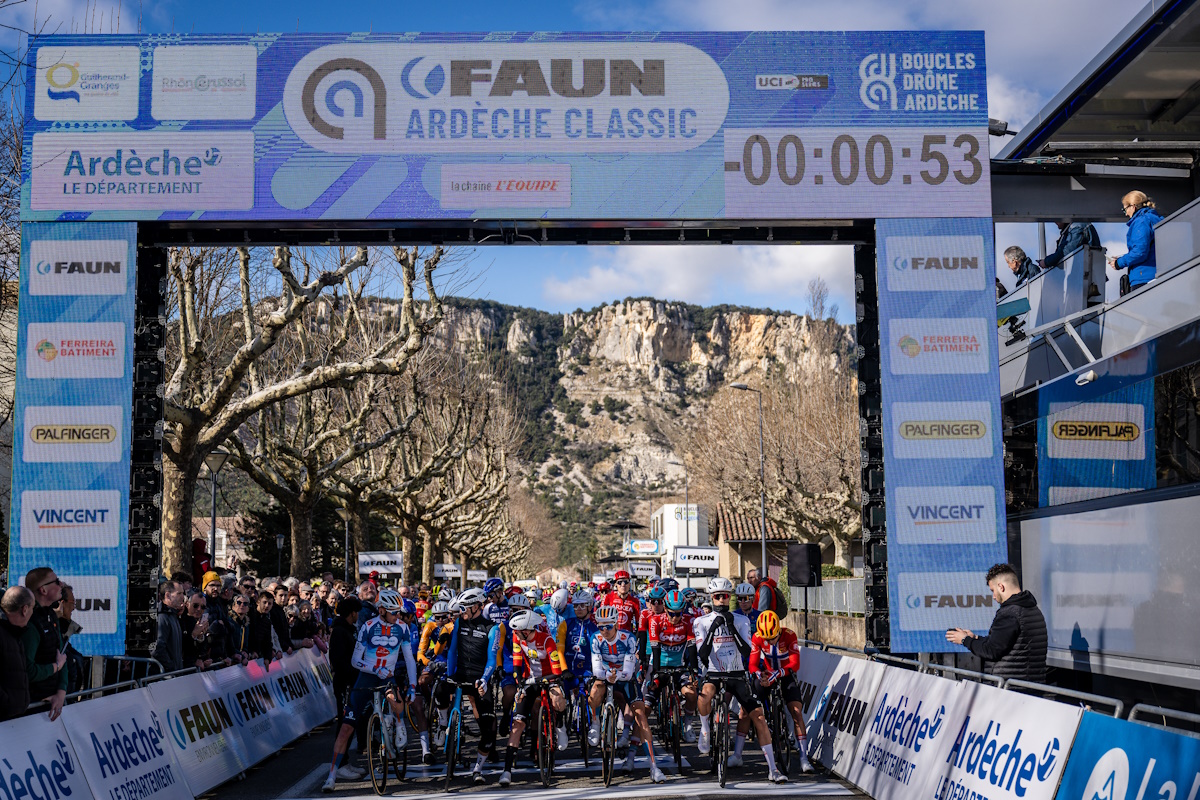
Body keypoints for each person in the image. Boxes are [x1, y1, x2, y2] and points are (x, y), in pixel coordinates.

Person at [322, 589, 419, 792]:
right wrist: (375, 668)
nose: (398, 616)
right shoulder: (367, 626)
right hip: (367, 676)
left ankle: (398, 723)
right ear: (381, 610)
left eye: (399, 612)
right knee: (346, 728)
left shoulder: (402, 628)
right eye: (393, 612)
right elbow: (355, 661)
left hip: (388, 678)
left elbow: (409, 658)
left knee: (397, 699)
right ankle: (331, 776)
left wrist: (412, 685)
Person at [694, 576, 786, 783]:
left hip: (737, 674)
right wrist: (713, 630)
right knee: (704, 696)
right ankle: (706, 730)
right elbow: (702, 654)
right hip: (714, 672)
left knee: (759, 717)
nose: (721, 601)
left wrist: (732, 629)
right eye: (717, 597)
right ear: (711, 597)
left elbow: (746, 650)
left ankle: (773, 769)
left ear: (729, 598)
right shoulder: (700, 622)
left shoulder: (741, 620)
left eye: (725, 597)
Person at [586, 605, 665, 783]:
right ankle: (596, 723)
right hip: (606, 676)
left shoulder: (627, 638)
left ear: (616, 624)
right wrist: (608, 675)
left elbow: (629, 672)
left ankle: (654, 766)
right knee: (595, 689)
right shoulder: (596, 638)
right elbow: (596, 668)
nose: (604, 630)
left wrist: (617, 675)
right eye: (600, 626)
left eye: (608, 626)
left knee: (640, 714)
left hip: (625, 677)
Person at [433, 587, 503, 783]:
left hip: (479, 678)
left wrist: (484, 679)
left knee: (488, 730)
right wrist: (450, 675)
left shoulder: (493, 629)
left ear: (477, 607)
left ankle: (478, 769)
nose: (460, 612)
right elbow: (452, 652)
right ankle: (443, 722)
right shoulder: (457, 625)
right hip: (460, 674)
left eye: (464, 608)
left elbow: (491, 659)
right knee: (439, 689)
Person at [498, 610, 569, 786]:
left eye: (518, 631)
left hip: (549, 677)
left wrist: (547, 680)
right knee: (518, 723)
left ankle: (560, 726)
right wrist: (519, 680)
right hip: (530, 680)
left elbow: (557, 672)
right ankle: (507, 771)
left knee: (558, 698)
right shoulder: (517, 638)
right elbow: (517, 663)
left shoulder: (546, 640)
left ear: (527, 630)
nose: (514, 634)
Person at [946, 563, 1048, 682]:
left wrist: (965, 640)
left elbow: (992, 651)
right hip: (1027, 684)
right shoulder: (1032, 609)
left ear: (1001, 587)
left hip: (1010, 688)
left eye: (993, 590)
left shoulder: (1009, 613)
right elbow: (1004, 643)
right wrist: (976, 638)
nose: (994, 596)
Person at [749, 611, 814, 773]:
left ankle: (803, 758)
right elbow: (753, 665)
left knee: (797, 712)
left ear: (779, 630)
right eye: (767, 639)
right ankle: (739, 751)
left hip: (786, 674)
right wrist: (760, 675)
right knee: (749, 707)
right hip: (767, 675)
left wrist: (777, 674)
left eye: (773, 638)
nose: (770, 641)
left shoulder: (789, 635)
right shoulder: (757, 637)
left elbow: (795, 664)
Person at [645, 588, 698, 743]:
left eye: (678, 613)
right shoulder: (655, 621)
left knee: (692, 693)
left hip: (679, 666)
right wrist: (655, 672)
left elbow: (691, 647)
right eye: (671, 614)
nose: (675, 618)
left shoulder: (689, 620)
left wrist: (693, 670)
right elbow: (655, 649)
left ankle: (688, 724)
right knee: (646, 705)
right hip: (659, 664)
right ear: (665, 609)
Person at [22, 568, 68, 720]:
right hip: (32, 708)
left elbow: (61, 655)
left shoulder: (50, 615)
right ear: (43, 590)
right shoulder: (30, 622)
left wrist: (61, 692)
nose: (61, 584)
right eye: (56, 581)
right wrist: (56, 667)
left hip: (53, 705)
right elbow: (27, 670)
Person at [1108, 190, 1165, 291]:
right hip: (1159, 274)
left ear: (1133, 206)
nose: (1126, 214)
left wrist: (1119, 262)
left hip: (1143, 278)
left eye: (1125, 209)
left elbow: (1140, 252)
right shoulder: (1158, 219)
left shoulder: (1141, 222)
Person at [0, 586, 34, 721]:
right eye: (32, 608)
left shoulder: (14, 632)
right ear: (25, 610)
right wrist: (7, 703)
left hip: (12, 719)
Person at [328, 596, 362, 723]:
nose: (358, 615)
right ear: (352, 613)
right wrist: (350, 675)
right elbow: (337, 659)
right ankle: (340, 742)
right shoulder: (339, 632)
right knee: (345, 719)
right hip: (344, 682)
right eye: (357, 612)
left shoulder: (350, 630)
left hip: (352, 680)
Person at [153, 580, 185, 671]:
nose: (183, 597)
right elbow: (157, 648)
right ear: (167, 595)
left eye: (183, 593)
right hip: (165, 676)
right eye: (179, 594)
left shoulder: (173, 616)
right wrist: (171, 667)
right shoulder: (162, 617)